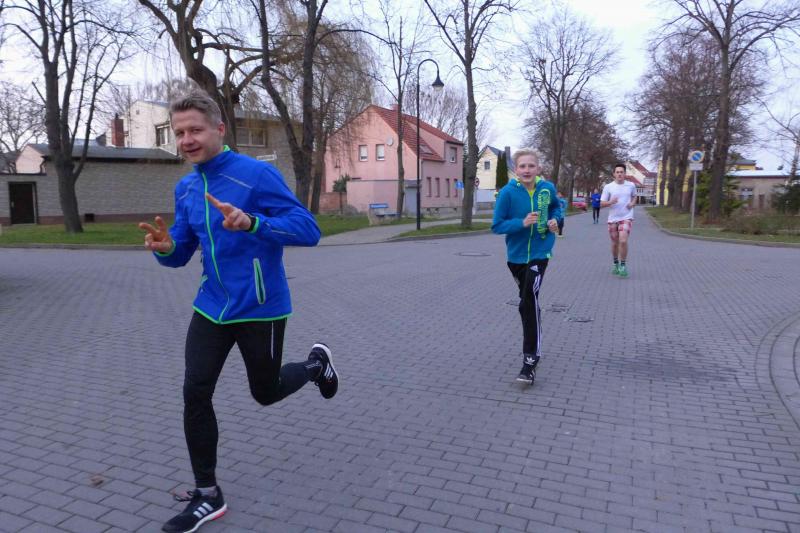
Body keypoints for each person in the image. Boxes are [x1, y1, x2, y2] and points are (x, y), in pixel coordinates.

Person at [138, 90, 340, 533]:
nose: (187, 140)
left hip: (260, 307)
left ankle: (315, 365)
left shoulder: (256, 175)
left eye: (195, 130)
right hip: (211, 307)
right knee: (195, 391)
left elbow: (309, 230)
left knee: (265, 392)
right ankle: (207, 493)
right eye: (179, 133)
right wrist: (166, 248)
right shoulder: (187, 187)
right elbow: (181, 251)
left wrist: (253, 223)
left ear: (219, 128)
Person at [492, 149, 561, 385]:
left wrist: (556, 221)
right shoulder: (507, 193)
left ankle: (530, 361)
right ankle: (532, 316)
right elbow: (497, 225)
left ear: (538, 169)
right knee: (527, 302)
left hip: (540, 253)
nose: (527, 170)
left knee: (529, 299)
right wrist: (521, 223)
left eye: (531, 166)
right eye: (522, 166)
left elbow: (557, 207)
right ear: (516, 169)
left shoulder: (547, 188)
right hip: (516, 257)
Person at [600, 163, 637, 277]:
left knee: (623, 240)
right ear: (614, 174)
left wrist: (632, 203)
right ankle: (615, 263)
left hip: (626, 217)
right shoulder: (608, 187)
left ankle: (623, 265)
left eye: (621, 172)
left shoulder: (631, 185)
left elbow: (634, 196)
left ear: (625, 174)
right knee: (615, 242)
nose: (620, 174)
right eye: (617, 172)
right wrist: (610, 202)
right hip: (613, 219)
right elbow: (602, 203)